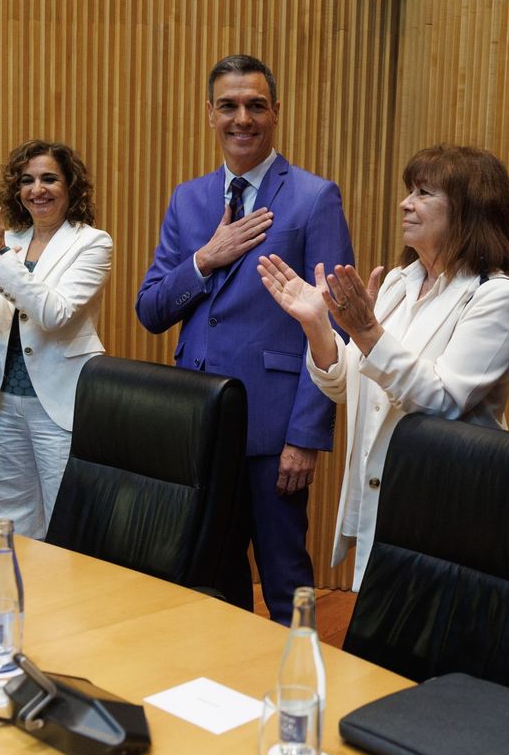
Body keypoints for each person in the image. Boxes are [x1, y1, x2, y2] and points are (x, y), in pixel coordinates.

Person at [136, 55, 355, 623]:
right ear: (209, 114)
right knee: (209, 576)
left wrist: (306, 435)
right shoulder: (188, 199)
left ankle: (300, 701)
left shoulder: (313, 197)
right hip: (199, 421)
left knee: (285, 582)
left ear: (275, 113)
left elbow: (332, 326)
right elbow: (151, 310)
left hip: (273, 425)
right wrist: (204, 260)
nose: (242, 118)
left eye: (256, 105)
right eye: (229, 106)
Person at [258, 145, 509, 591]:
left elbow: (443, 399)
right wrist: (317, 327)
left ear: (468, 210)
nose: (406, 203)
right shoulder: (401, 283)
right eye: (408, 191)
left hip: (445, 506)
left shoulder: (495, 296)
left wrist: (366, 332)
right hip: (380, 497)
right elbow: (353, 386)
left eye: (423, 193)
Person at [0, 140, 112, 540]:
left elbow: (53, 314)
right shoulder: (11, 241)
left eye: (49, 178)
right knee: (14, 520)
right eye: (27, 180)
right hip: (5, 404)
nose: (37, 189)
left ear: (70, 186)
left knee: (63, 520)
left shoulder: (91, 242)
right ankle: (25, 600)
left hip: (60, 404)